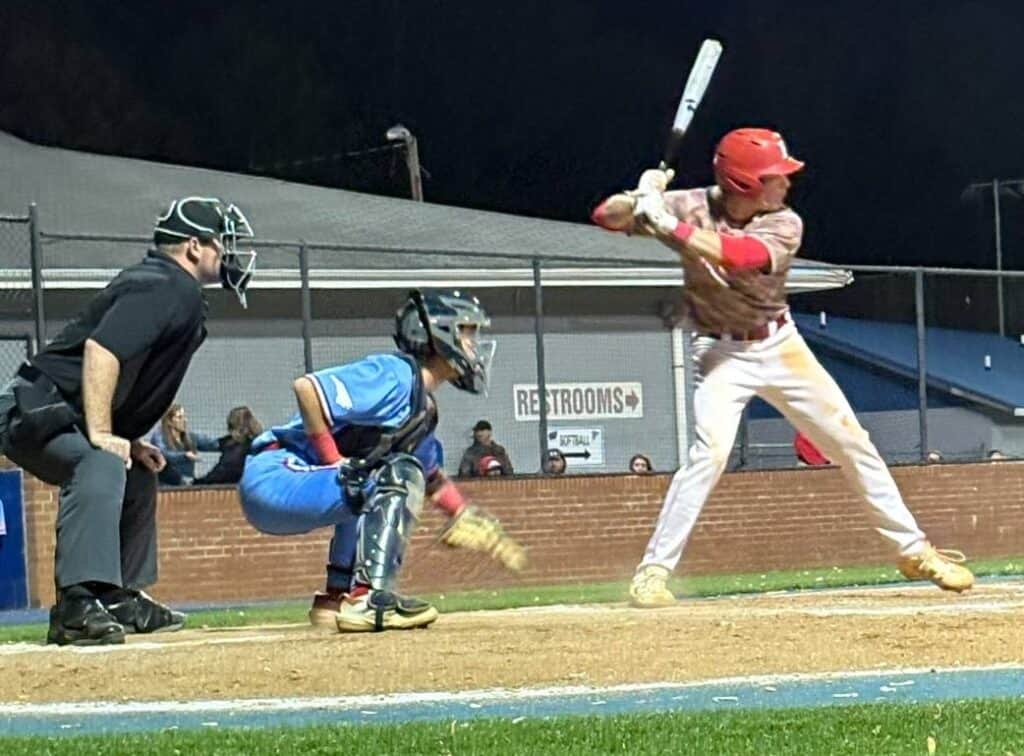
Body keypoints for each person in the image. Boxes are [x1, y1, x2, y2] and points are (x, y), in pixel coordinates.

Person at [592, 127, 974, 608]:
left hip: (780, 345)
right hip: (719, 353)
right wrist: (640, 196)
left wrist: (667, 225)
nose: (787, 184)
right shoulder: (688, 204)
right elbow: (604, 216)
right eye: (776, 176)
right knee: (708, 455)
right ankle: (653, 572)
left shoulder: (785, 223)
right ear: (745, 184)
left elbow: (740, 257)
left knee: (852, 442)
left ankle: (913, 550)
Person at [0, 196, 256, 645]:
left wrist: (128, 441)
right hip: (37, 409)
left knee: (137, 470)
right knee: (97, 461)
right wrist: (102, 434)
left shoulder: (176, 289)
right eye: (222, 243)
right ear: (193, 247)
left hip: (64, 411)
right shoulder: (165, 284)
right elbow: (103, 350)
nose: (229, 254)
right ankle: (76, 606)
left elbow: (134, 376)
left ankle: (113, 595)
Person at [238, 290, 527, 633]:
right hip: (276, 475)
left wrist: (463, 513)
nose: (474, 344)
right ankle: (369, 599)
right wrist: (335, 462)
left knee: (373, 471)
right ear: (440, 332)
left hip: (293, 486)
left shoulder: (421, 407)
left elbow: (430, 476)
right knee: (389, 473)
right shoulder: (396, 374)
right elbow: (308, 389)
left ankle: (337, 598)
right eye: (467, 332)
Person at [149, 404, 220, 486]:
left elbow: (213, 444)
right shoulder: (158, 436)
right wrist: (184, 455)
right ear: (169, 421)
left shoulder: (190, 437)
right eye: (179, 417)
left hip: (186, 484)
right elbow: (164, 454)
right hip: (165, 486)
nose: (185, 420)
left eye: (184, 416)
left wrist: (229, 441)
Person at [193, 406, 263, 485]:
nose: (230, 432)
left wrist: (199, 482)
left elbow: (223, 472)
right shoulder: (259, 444)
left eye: (231, 428)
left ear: (239, 429)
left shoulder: (236, 450)